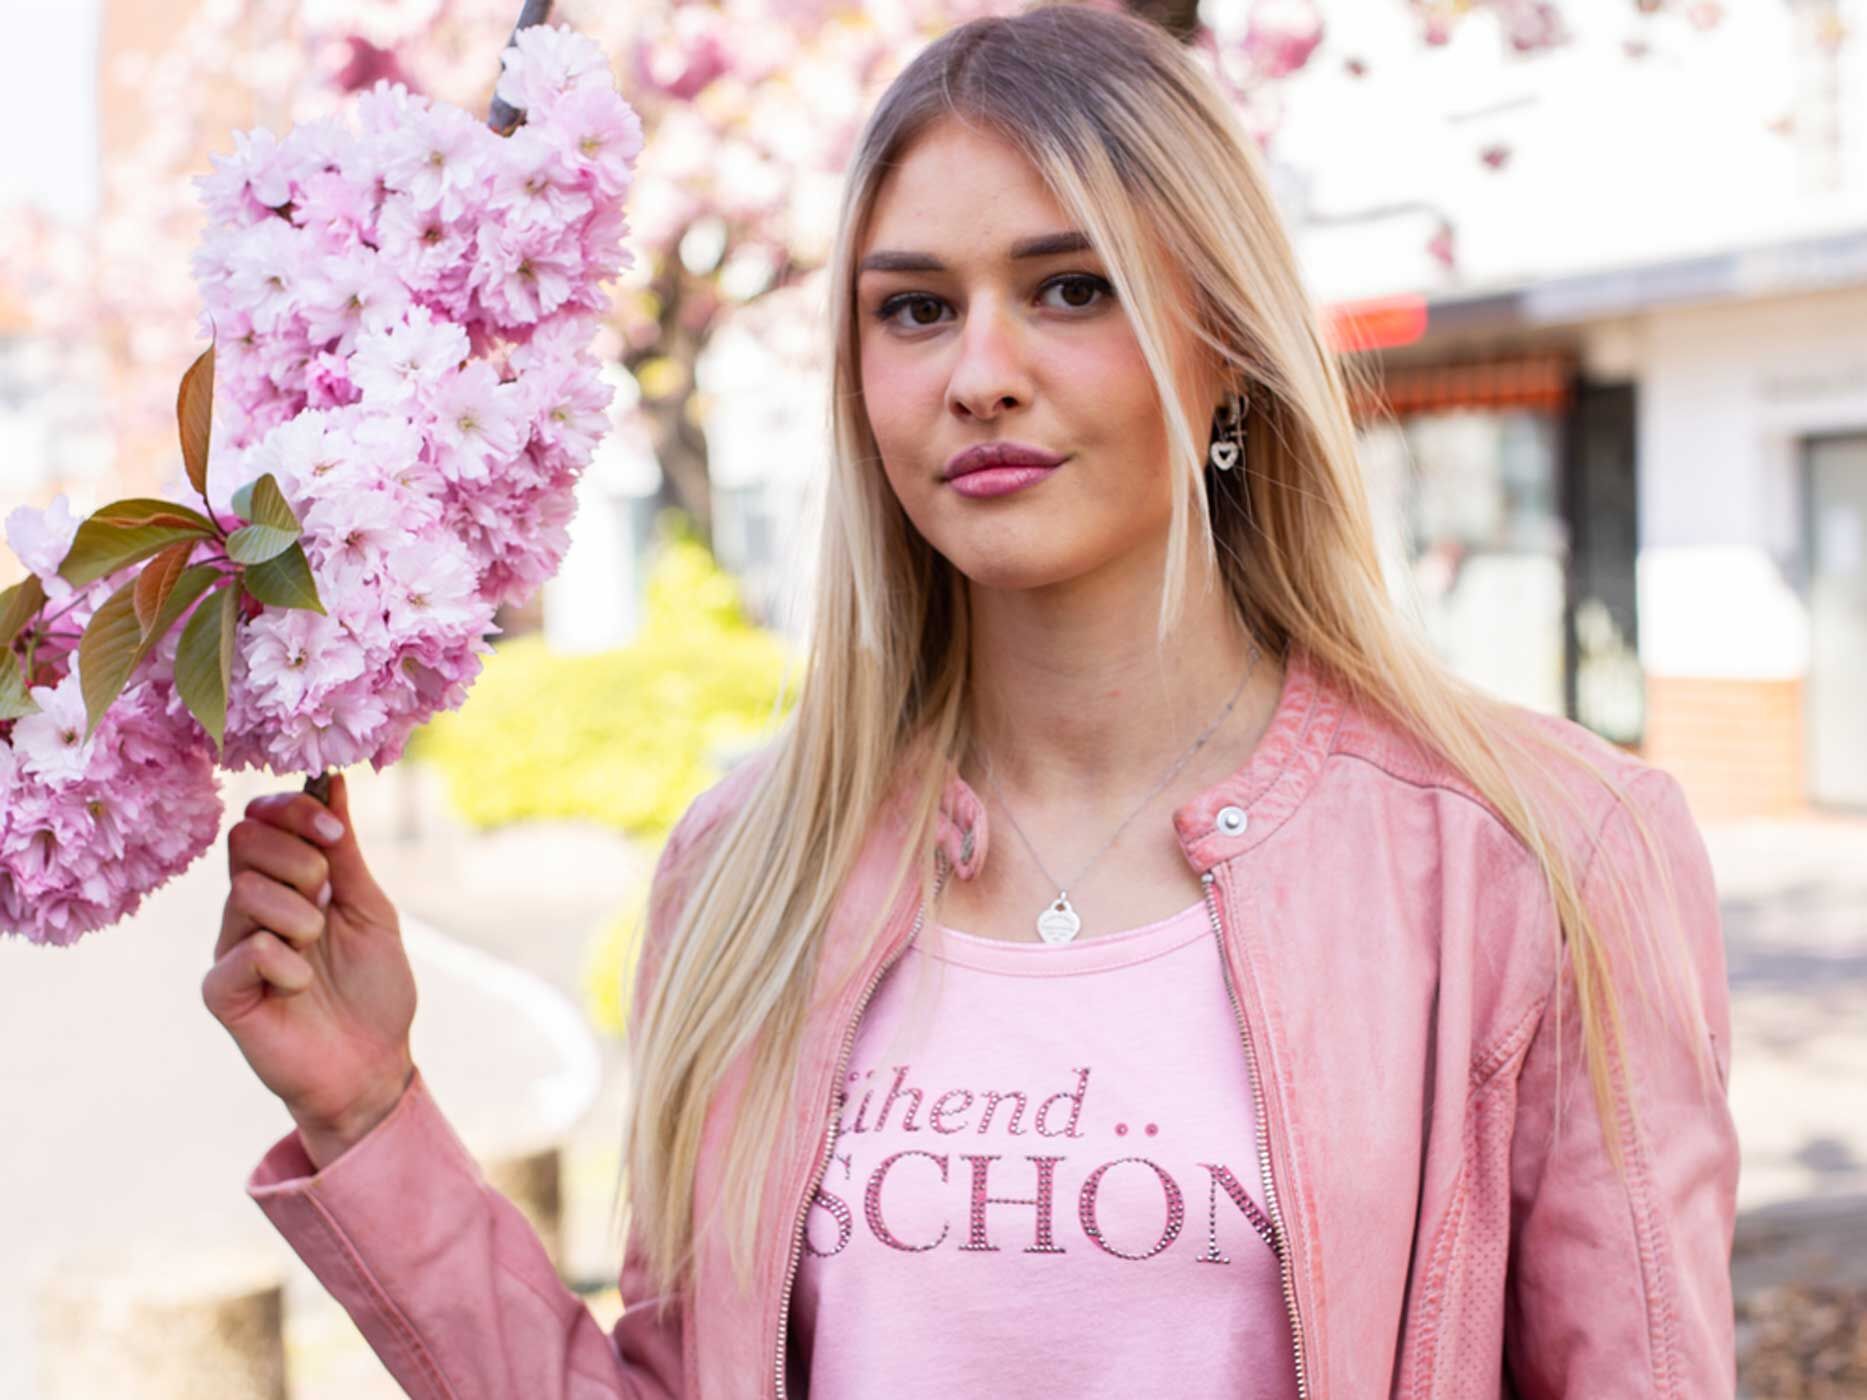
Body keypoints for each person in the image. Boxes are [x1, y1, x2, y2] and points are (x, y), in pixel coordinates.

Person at [205, 5, 1740, 1396]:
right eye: (916, 309)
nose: (980, 373)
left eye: (1071, 288)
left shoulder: (1542, 857)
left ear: (1226, 352)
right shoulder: (749, 872)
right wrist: (368, 1114)